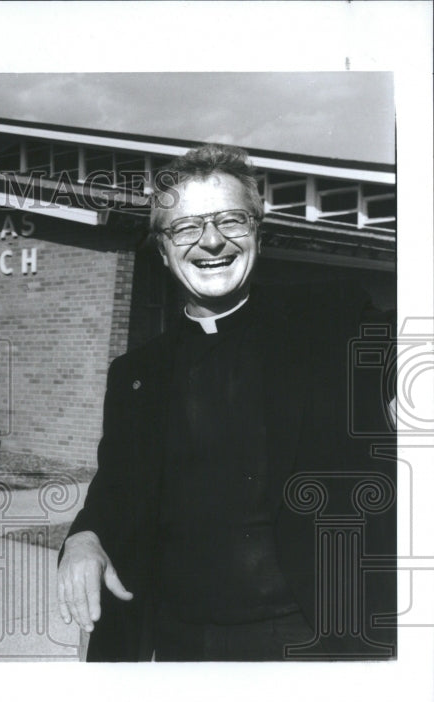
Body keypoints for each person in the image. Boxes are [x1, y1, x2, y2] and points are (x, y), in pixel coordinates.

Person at [57, 143, 396, 662]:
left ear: (258, 229)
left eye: (231, 220)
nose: (211, 241)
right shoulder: (135, 374)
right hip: (179, 645)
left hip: (314, 641)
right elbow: (115, 489)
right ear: (163, 248)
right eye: (186, 227)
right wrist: (83, 538)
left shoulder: (337, 320)